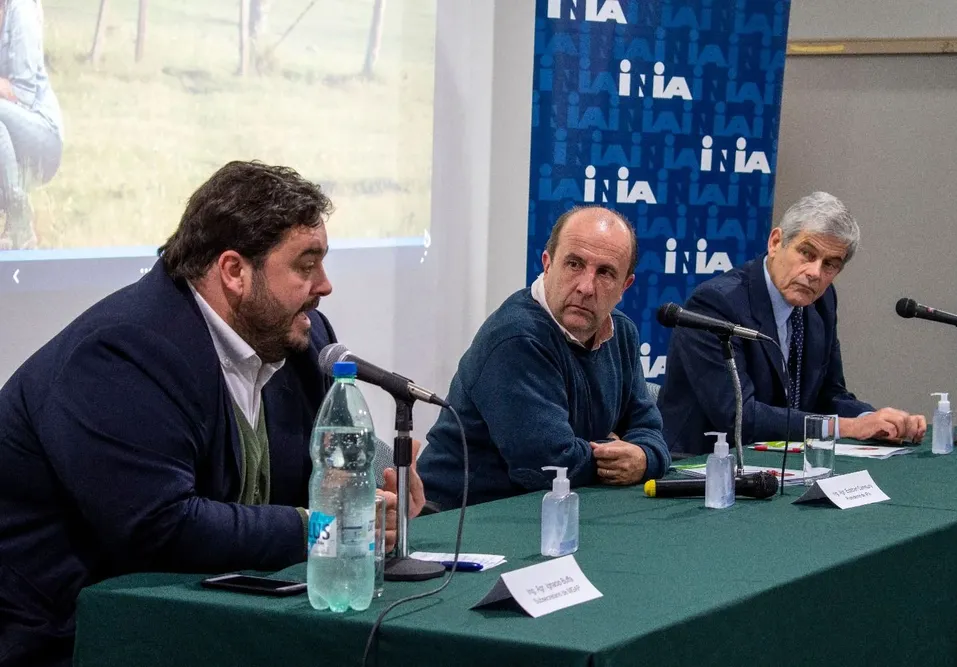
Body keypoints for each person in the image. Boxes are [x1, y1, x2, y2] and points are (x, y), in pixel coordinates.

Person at [0, 161, 424, 667]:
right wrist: (325, 527)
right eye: (305, 266)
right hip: (66, 636)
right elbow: (163, 527)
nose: (325, 285)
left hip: (207, 615)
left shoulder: (299, 338)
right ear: (234, 271)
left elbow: (329, 449)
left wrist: (382, 478)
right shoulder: (122, 355)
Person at [420, 206, 671, 510]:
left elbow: (650, 432)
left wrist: (644, 458)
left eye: (605, 273)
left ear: (624, 286)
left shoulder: (622, 334)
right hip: (460, 519)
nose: (586, 287)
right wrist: (614, 451)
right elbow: (547, 466)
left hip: (551, 510)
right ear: (547, 264)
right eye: (574, 264)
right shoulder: (516, 338)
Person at [658, 191, 927, 456]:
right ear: (776, 242)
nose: (815, 273)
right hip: (702, 466)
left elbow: (829, 394)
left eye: (830, 265)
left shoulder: (822, 301)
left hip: (780, 462)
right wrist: (849, 426)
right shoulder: (717, 303)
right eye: (807, 254)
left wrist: (875, 421)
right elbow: (739, 416)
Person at [0, 0, 63, 250]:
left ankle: (20, 221)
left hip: (42, 135)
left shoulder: (20, 9)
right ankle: (17, 230)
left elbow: (22, 93)